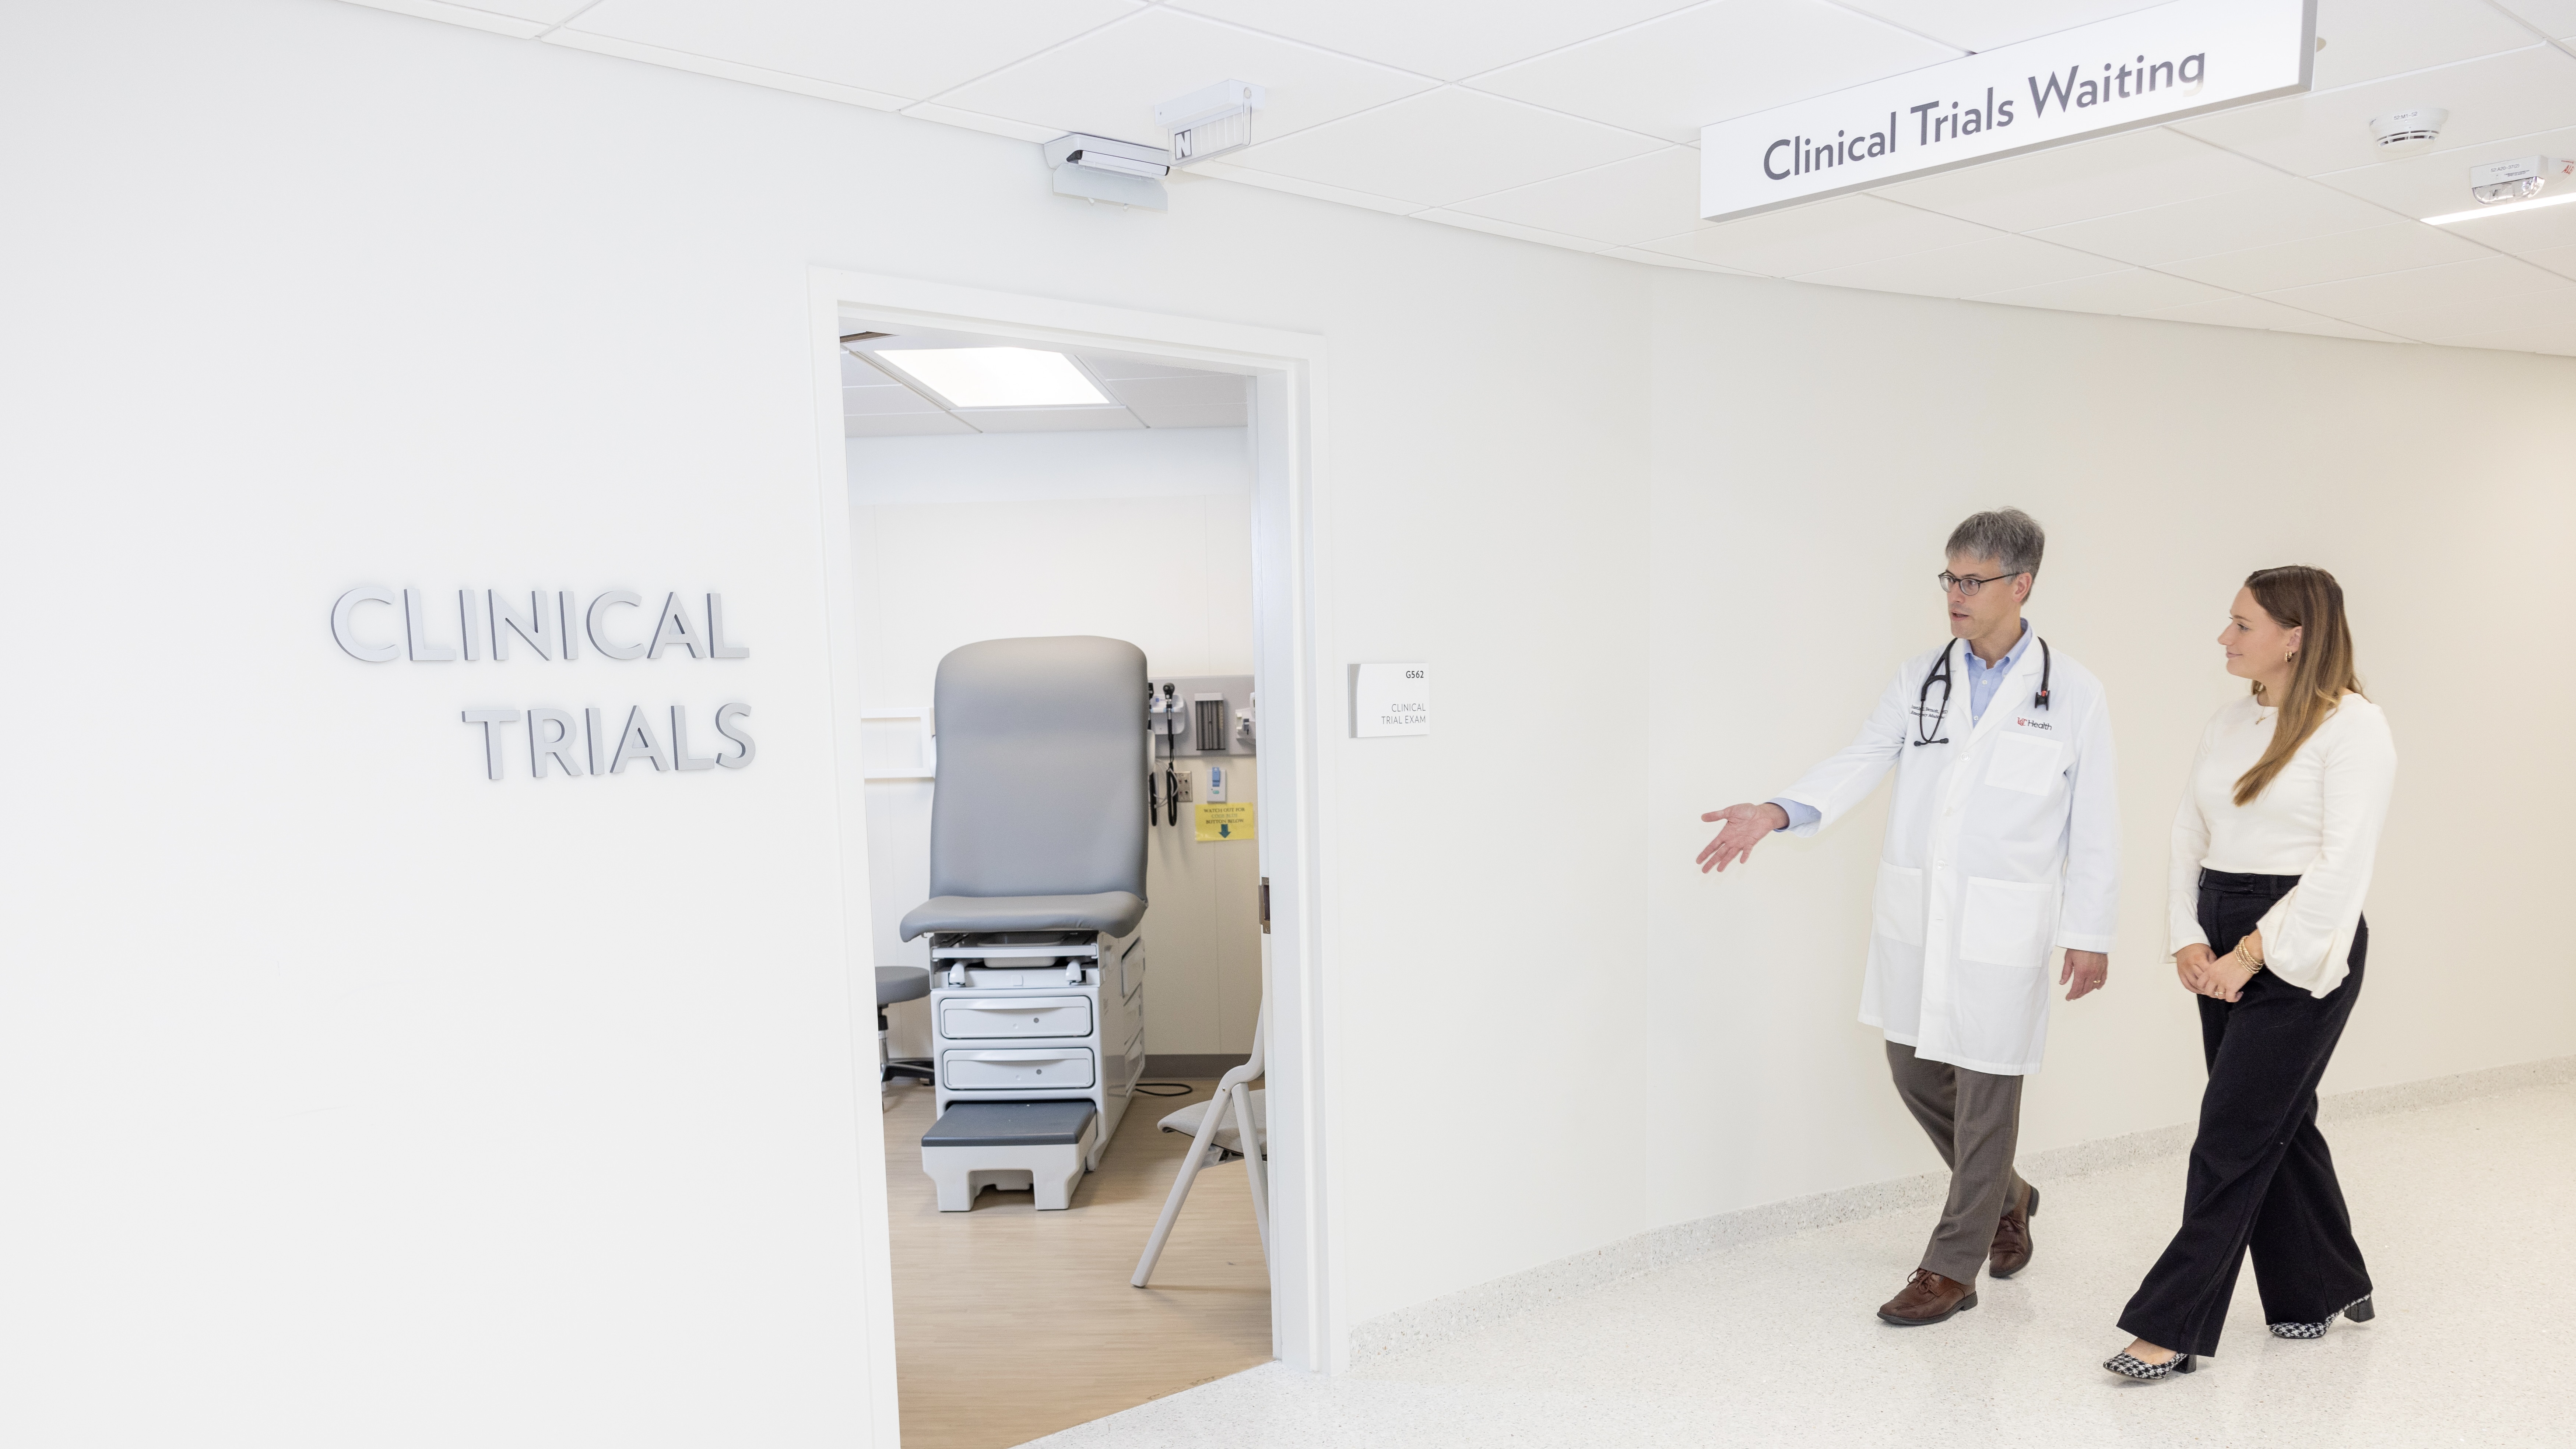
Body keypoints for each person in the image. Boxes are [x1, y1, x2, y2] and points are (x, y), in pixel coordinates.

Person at [1698, 507, 2118, 1327]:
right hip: (1923, 920)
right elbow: (1865, 756)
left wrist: (2091, 932)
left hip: (2007, 925)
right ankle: (2010, 1194)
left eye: (1973, 580)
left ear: (2020, 585)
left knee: (1989, 1094)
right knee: (1913, 1070)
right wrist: (1780, 811)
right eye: (1950, 578)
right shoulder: (1920, 677)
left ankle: (1950, 1268)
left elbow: (2096, 821)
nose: (1954, 595)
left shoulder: (2073, 694)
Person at [2104, 566, 2396, 1382]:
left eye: (2242, 625)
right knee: (2279, 1121)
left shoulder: (2354, 728)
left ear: (2295, 635)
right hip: (2220, 921)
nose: (2224, 639)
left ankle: (2171, 1327)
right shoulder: (2230, 722)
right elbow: (2185, 836)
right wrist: (2188, 939)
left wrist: (2249, 953)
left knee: (2232, 1133)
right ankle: (2326, 1287)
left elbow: (2342, 867)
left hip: (2305, 944)